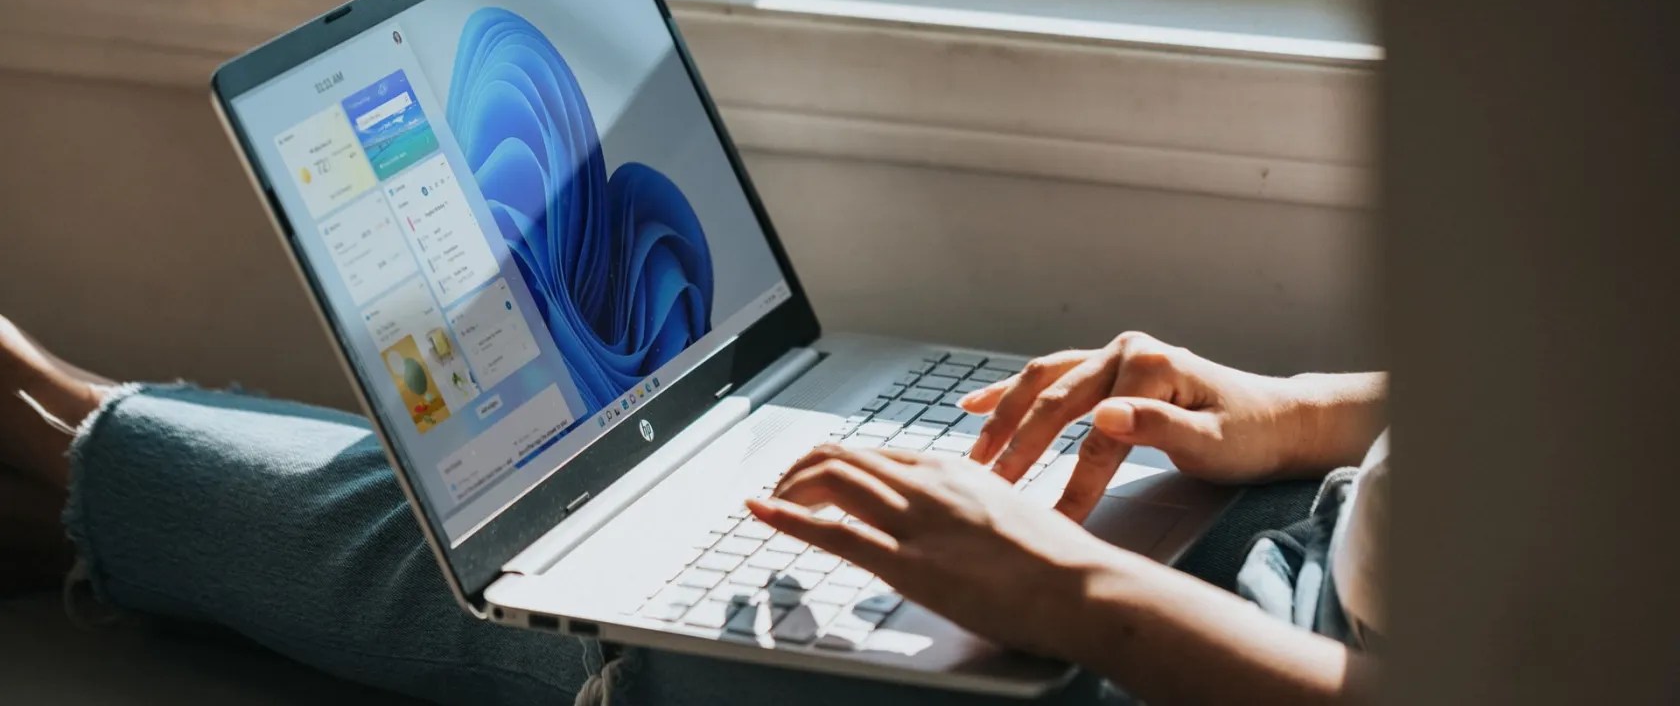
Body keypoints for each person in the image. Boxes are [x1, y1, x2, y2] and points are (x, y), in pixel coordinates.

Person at [0, 315, 1385, 704]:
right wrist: (1312, 412)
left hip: (1243, 664)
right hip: (1294, 533)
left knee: (554, 576)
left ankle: (50, 430)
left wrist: (1080, 595)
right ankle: (76, 467)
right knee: (623, 487)